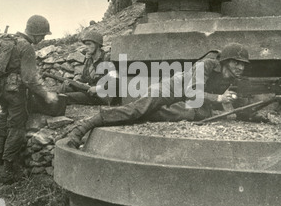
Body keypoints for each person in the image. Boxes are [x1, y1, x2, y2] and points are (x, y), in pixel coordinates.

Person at [67, 43, 267, 148]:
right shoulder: (205, 65)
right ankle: (89, 123)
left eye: (243, 64)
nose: (240, 67)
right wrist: (218, 99)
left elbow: (237, 102)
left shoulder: (230, 77)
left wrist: (254, 114)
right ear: (226, 61)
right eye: (236, 62)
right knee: (139, 110)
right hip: (170, 89)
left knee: (192, 115)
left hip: (188, 100)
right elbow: (192, 91)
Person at [0, 15, 59, 184]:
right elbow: (30, 79)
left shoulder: (6, 40)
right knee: (17, 127)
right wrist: (46, 95)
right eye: (42, 35)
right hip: (14, 92)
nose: (42, 39)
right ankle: (7, 170)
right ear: (35, 33)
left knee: (4, 118)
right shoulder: (26, 47)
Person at [59, 30, 119, 106]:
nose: (86, 47)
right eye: (85, 44)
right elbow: (84, 78)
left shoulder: (107, 59)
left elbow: (116, 82)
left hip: (101, 95)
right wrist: (75, 81)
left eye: (89, 44)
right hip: (89, 90)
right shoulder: (89, 60)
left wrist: (97, 88)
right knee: (65, 87)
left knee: (67, 97)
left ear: (97, 45)